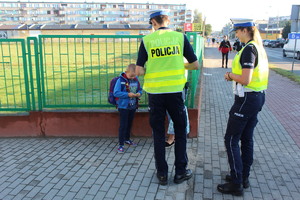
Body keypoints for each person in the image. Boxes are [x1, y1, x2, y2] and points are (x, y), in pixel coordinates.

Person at [135, 9, 200, 185]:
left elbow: (139, 70)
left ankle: (162, 174)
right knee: (180, 131)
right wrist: (179, 66)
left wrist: (154, 70)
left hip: (155, 94)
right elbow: (195, 65)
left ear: (153, 23)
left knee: (158, 133)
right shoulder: (180, 37)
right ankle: (180, 172)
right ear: (167, 20)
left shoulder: (147, 40)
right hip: (175, 92)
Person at [217, 18, 269, 196]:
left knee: (231, 140)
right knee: (246, 139)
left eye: (238, 31)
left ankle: (237, 182)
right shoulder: (257, 47)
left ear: (246, 30)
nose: (236, 35)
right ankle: (243, 177)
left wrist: (230, 75)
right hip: (256, 97)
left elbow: (245, 79)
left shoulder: (249, 49)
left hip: (247, 99)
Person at [113, 64, 143, 153]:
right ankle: (121, 145)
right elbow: (116, 93)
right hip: (123, 107)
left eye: (134, 76)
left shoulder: (136, 80)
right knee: (123, 125)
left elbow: (140, 89)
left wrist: (139, 93)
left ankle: (127, 139)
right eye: (131, 76)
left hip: (132, 106)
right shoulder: (120, 80)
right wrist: (127, 95)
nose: (132, 77)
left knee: (129, 124)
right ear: (126, 72)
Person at [166, 82, 190, 148]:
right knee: (170, 111)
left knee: (176, 111)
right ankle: (173, 136)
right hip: (169, 87)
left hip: (179, 87)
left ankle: (172, 137)